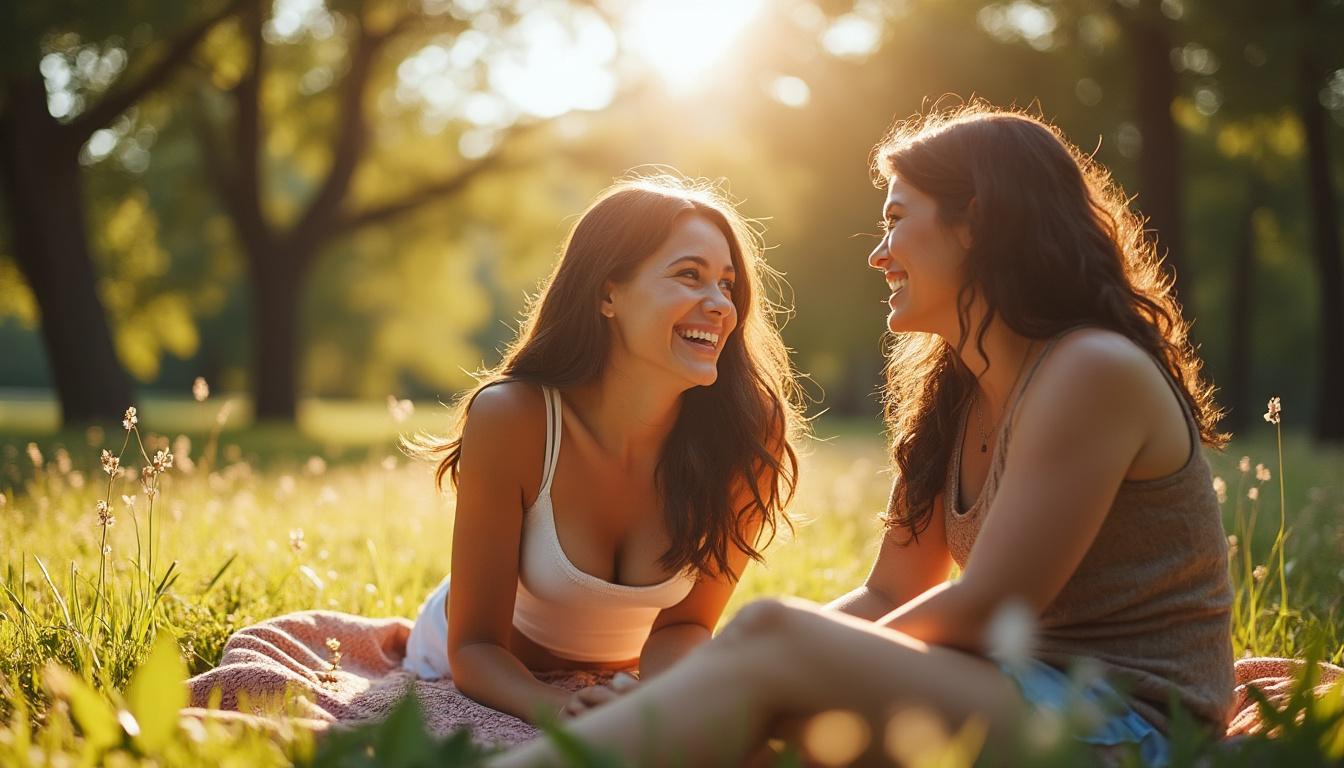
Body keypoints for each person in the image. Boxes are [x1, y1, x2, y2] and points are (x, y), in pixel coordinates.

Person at [492, 103, 1234, 767]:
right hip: (1005, 691)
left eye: (895, 218)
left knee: (771, 644)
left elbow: (989, 607)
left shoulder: (1090, 371)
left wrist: (771, 660)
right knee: (746, 696)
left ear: (975, 221)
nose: (879, 253)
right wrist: (731, 678)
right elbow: (888, 592)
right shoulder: (958, 391)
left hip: (1128, 729)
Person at [401, 175, 803, 725]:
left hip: (616, 683)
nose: (720, 307)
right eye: (690, 275)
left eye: (727, 285)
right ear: (607, 293)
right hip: (484, 671)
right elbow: (474, 649)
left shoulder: (749, 431)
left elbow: (685, 628)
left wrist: (657, 708)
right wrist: (562, 709)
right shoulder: (514, 418)